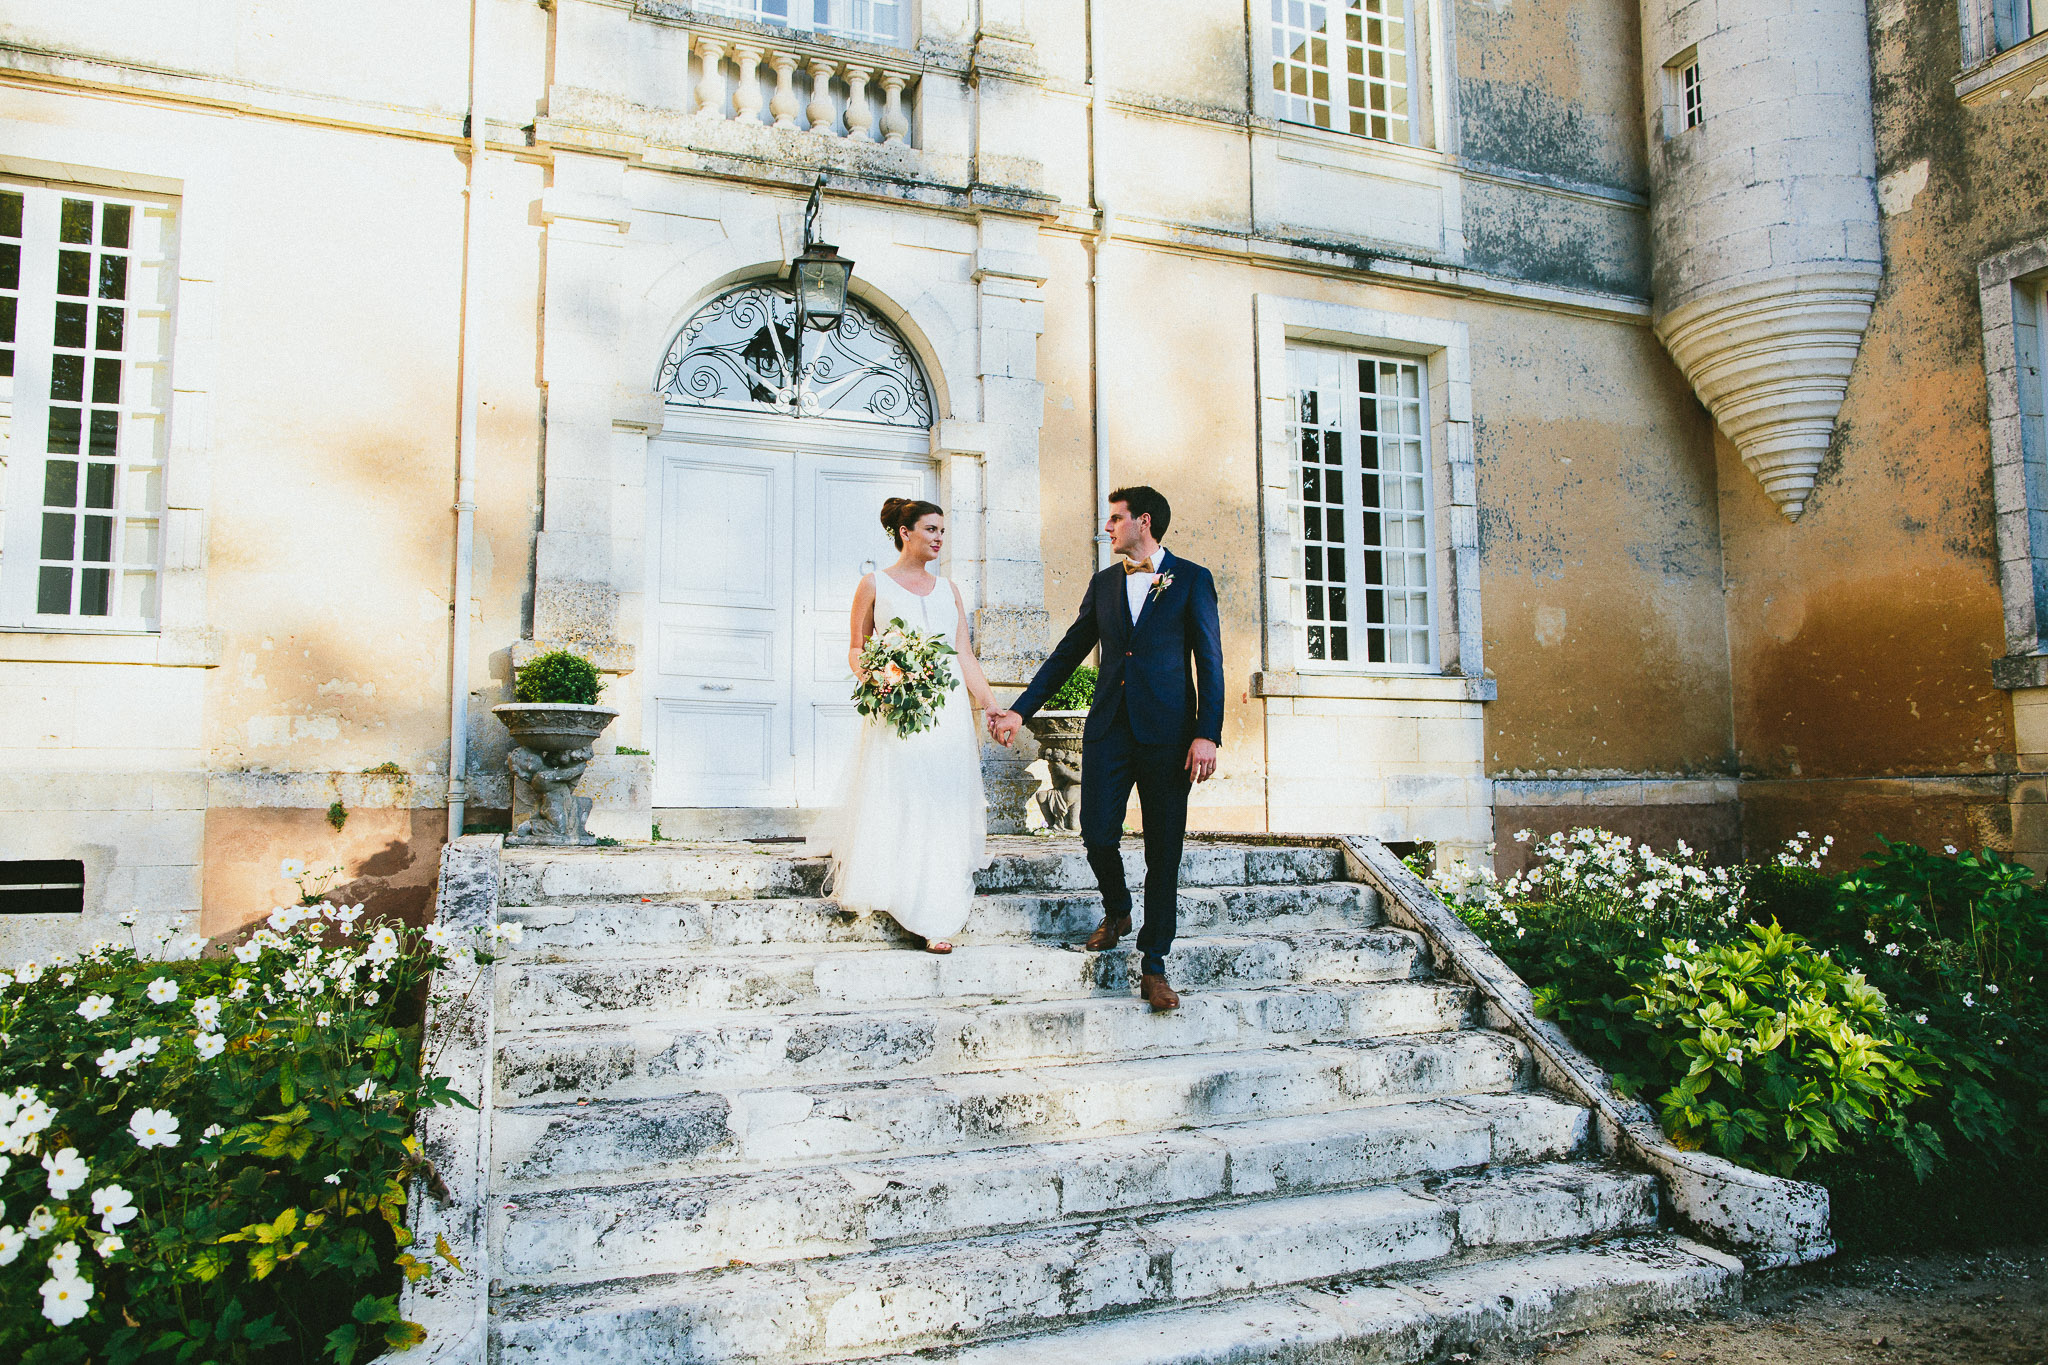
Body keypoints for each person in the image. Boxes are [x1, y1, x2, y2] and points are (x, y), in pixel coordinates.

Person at [989, 486, 1223, 1011]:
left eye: (1115, 519)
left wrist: (1207, 732)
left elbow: (1210, 661)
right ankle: (1117, 909)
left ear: (1143, 521)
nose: (1108, 528)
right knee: (1096, 834)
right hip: (1109, 730)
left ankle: (1155, 963)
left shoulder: (1191, 579)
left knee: (1164, 852)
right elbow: (1068, 652)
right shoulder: (1103, 584)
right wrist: (1020, 708)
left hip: (1169, 738)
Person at [807, 498, 996, 953]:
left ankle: (936, 912)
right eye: (930, 529)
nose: (938, 538)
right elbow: (857, 648)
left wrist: (991, 705)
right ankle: (897, 891)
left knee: (941, 801)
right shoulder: (874, 584)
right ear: (905, 532)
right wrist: (881, 677)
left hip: (946, 714)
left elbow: (963, 655)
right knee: (903, 795)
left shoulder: (949, 589)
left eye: (943, 532)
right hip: (899, 712)